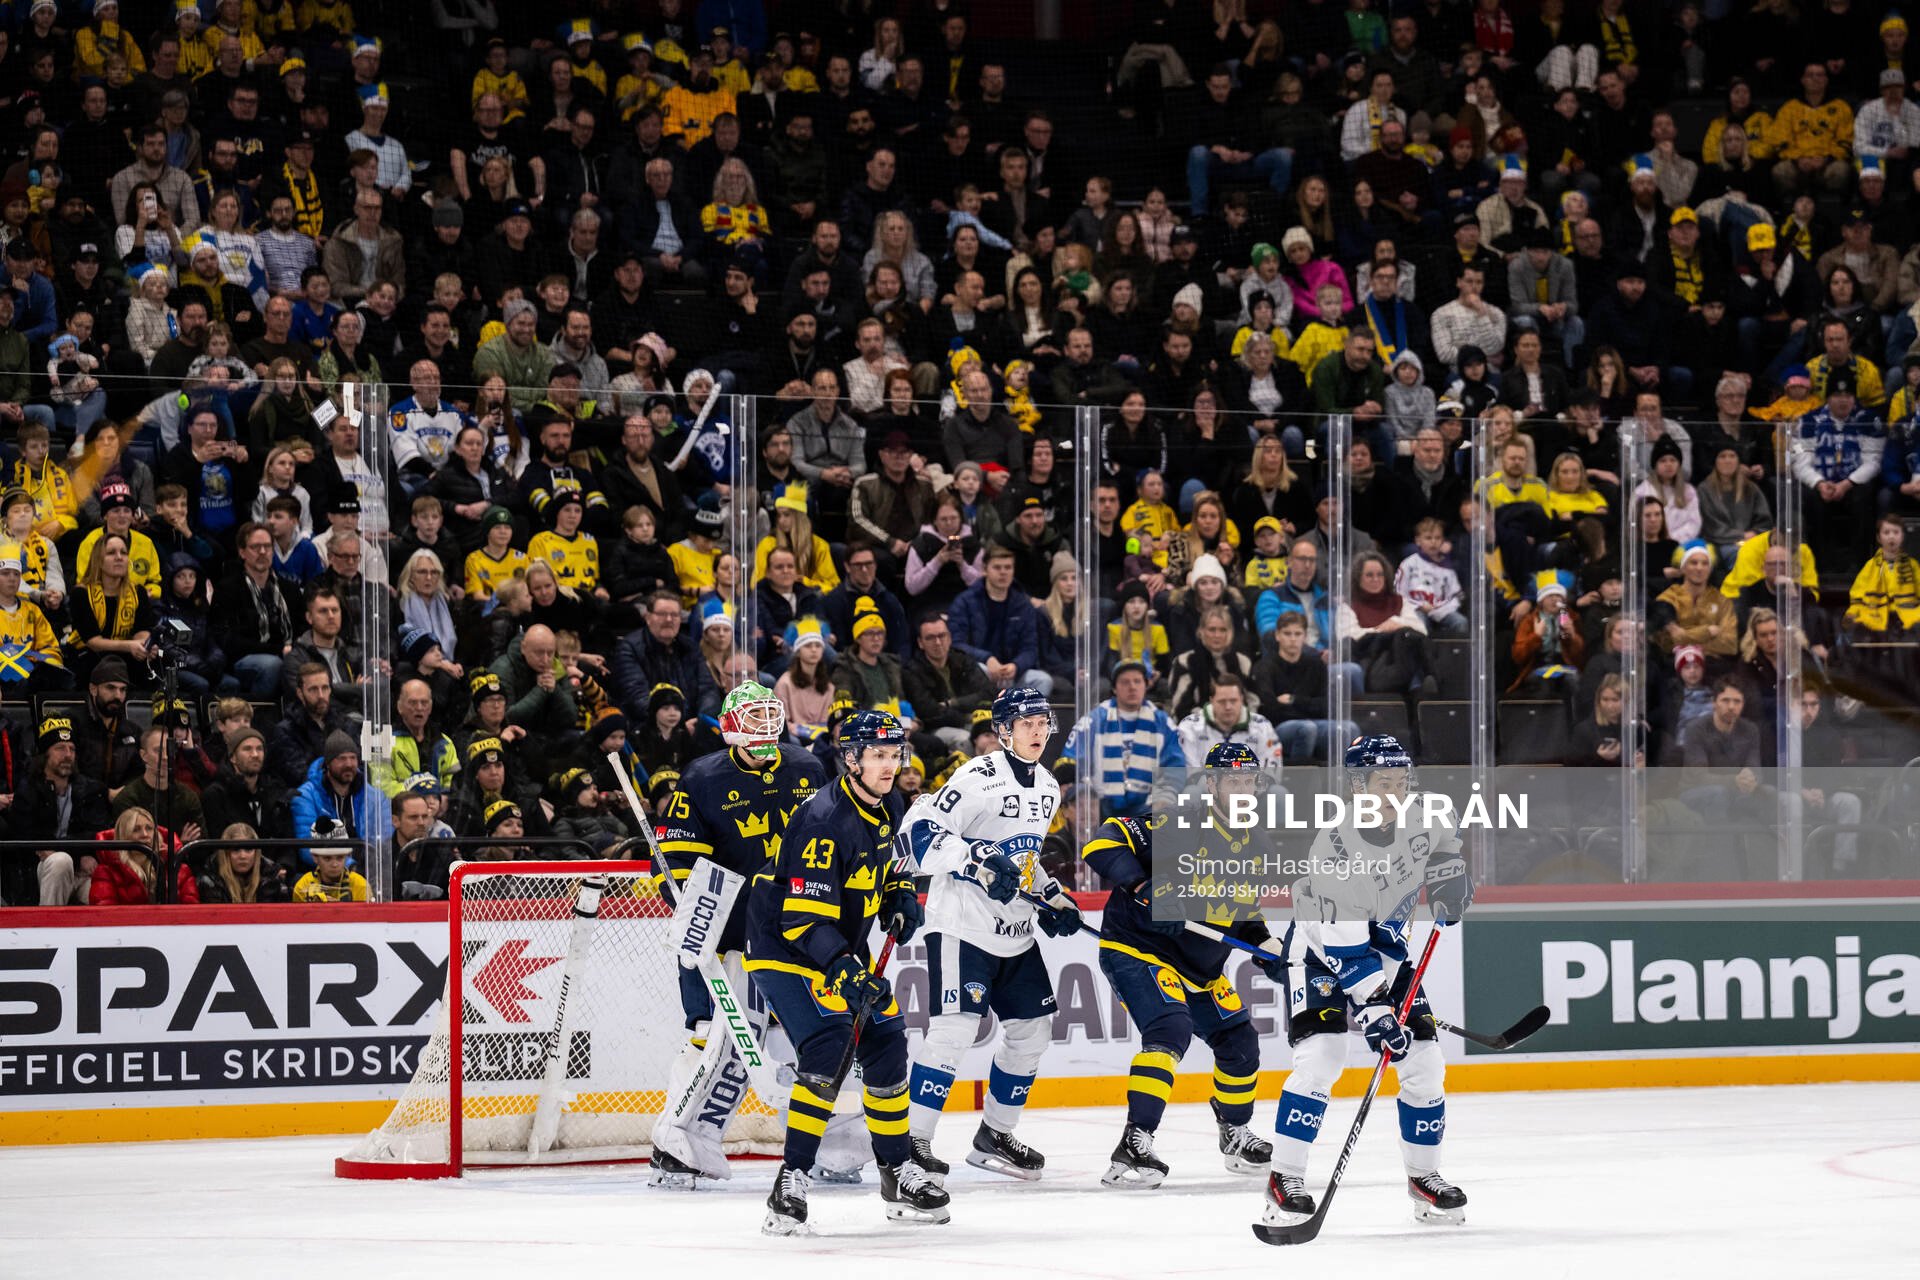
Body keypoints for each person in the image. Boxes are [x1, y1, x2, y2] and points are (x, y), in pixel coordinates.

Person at [746, 709, 950, 1232]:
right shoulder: (823, 820)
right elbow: (801, 920)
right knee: (829, 1043)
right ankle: (790, 1179)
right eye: (878, 755)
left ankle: (896, 1171)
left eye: (895, 754)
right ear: (852, 760)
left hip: (835, 945)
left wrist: (899, 894)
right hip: (784, 947)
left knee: (887, 1039)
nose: (890, 765)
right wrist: (845, 969)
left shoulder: (889, 803)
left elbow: (889, 866)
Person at [1260, 735, 1471, 1229]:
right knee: (1323, 1055)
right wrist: (1375, 1010)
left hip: (1389, 954)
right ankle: (1284, 1177)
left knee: (1425, 1063)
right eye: (1383, 782)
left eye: (1401, 781)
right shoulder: (1335, 848)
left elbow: (1446, 849)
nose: (1395, 792)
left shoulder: (1428, 813)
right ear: (1357, 786)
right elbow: (1345, 949)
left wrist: (1450, 880)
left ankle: (1424, 1178)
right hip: (1319, 956)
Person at [647, 682, 828, 1186]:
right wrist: (692, 913)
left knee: (820, 1035)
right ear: (730, 730)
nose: (765, 732)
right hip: (725, 935)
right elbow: (677, 859)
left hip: (796, 930)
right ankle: (680, 1146)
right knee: (715, 1039)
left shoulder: (807, 767)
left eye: (770, 719)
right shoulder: (703, 777)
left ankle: (836, 1146)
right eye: (753, 721)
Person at [899, 687, 1076, 1183]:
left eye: (1042, 723)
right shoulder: (977, 776)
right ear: (1003, 731)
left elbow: (1024, 859)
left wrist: (1052, 895)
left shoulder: (1048, 786)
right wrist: (974, 861)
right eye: (1026, 724)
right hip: (962, 925)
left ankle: (995, 1134)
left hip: (1015, 930)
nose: (1037, 732)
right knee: (954, 1031)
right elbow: (921, 831)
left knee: (1032, 1030)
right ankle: (912, 1141)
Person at [1083, 741, 1276, 1187]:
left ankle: (1234, 1132)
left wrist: (1266, 946)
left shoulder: (1257, 843)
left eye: (1249, 781)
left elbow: (1243, 913)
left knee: (1240, 1041)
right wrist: (1143, 887)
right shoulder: (1181, 823)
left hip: (1200, 969)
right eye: (1233, 780)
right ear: (1211, 784)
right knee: (1170, 1028)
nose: (1243, 789)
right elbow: (1102, 842)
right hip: (1139, 949)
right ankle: (1135, 1142)